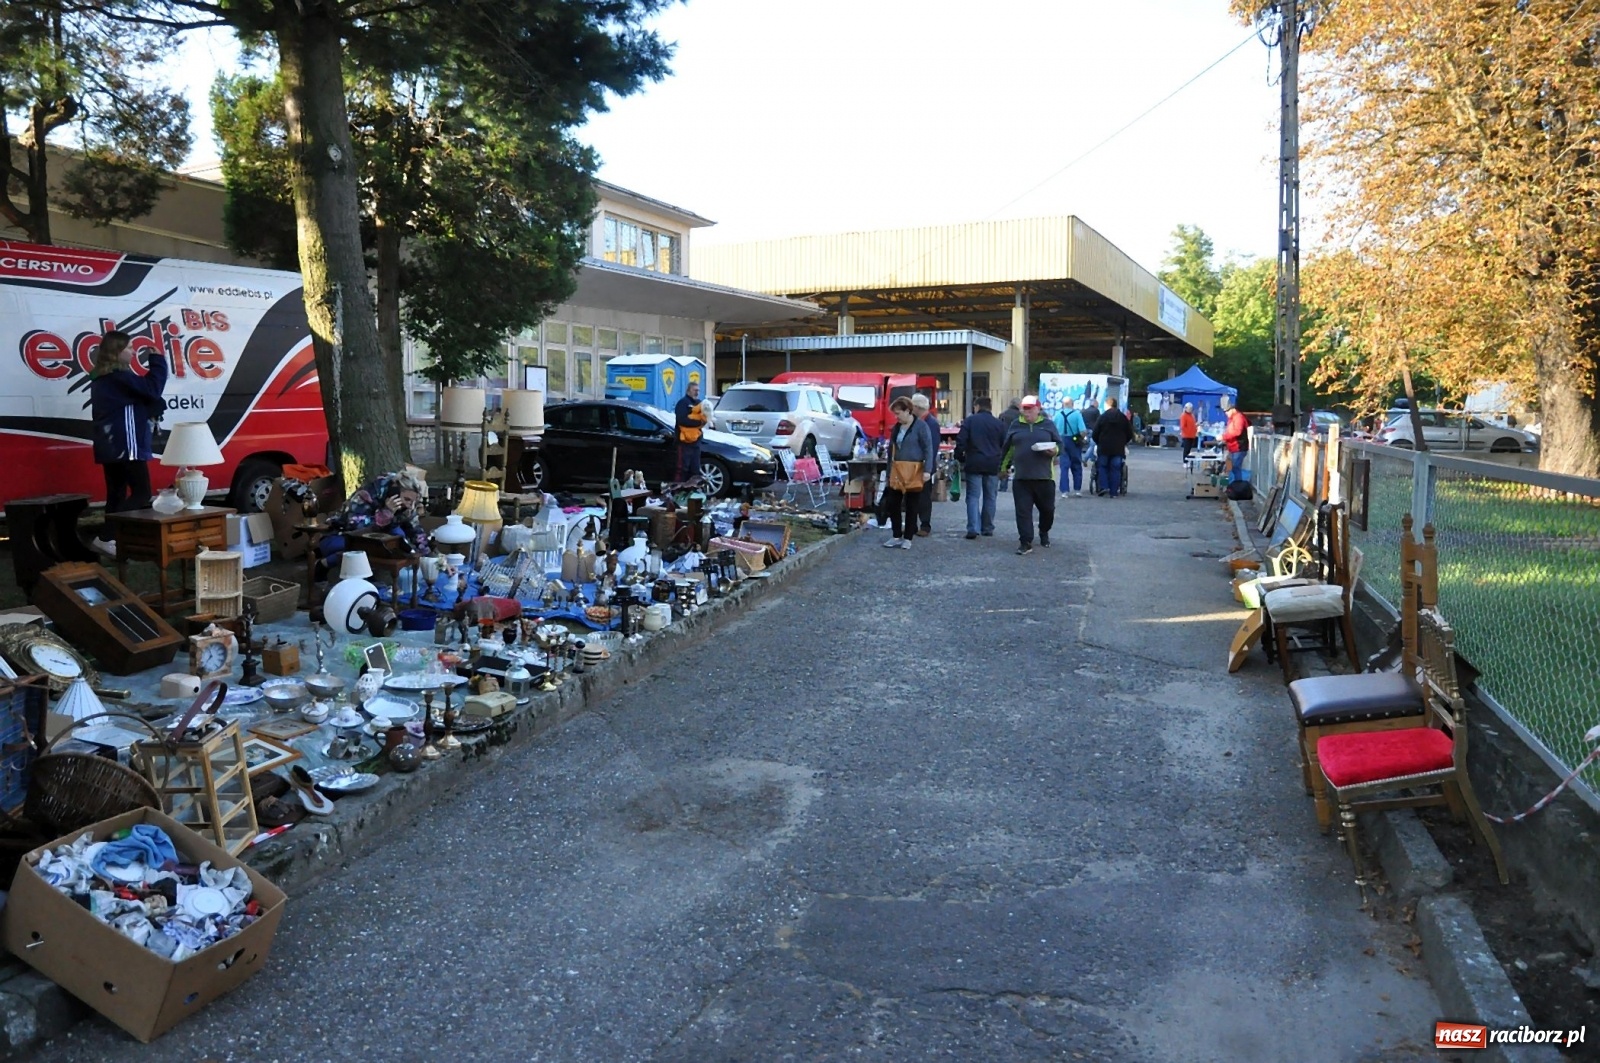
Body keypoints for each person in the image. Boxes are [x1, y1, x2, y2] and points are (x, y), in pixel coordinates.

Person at [89, 329, 168, 557]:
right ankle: (106, 536)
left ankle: (112, 539)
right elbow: (152, 389)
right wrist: (157, 361)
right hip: (126, 444)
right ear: (117, 351)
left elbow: (143, 397)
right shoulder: (119, 377)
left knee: (117, 494)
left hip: (109, 445)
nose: (133, 352)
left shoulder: (102, 378)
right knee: (141, 493)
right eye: (130, 348)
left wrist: (149, 406)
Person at [999, 395, 1063, 555]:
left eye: (1029, 409)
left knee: (1047, 510)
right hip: (1021, 477)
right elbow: (1007, 449)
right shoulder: (1015, 425)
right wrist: (1002, 468)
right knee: (1023, 511)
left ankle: (1044, 530)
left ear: (1037, 409)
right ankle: (1025, 541)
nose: (1026, 412)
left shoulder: (1048, 425)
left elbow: (1060, 445)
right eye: (1024, 409)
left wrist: (1054, 451)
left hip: (1044, 477)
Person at [880, 397, 934, 549]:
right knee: (893, 503)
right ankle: (896, 535)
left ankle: (908, 537)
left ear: (907, 411)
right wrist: (889, 470)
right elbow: (892, 449)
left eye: (898, 413)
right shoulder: (896, 428)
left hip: (914, 469)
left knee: (912, 505)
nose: (896, 417)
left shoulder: (921, 427)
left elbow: (928, 449)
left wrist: (928, 470)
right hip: (897, 469)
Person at [954, 396, 1006, 539]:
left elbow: (961, 441)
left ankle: (973, 528)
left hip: (974, 462)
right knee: (990, 497)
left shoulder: (970, 421)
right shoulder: (998, 423)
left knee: (973, 496)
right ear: (990, 406)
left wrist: (959, 457)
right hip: (993, 463)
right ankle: (987, 527)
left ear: (976, 406)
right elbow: (1004, 444)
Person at [1092, 397, 1134, 498]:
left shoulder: (1102, 417)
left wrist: (1099, 442)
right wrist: (1124, 442)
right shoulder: (1123, 418)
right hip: (1118, 448)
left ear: (1107, 405)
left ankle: (1104, 486)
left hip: (1104, 447)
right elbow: (1130, 433)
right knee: (1116, 469)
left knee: (1102, 467)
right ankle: (1114, 492)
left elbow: (1095, 433)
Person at [911, 393, 940, 537]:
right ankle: (914, 525)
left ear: (917, 407)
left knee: (924, 497)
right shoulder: (920, 421)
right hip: (915, 465)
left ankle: (925, 525)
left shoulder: (931, 423)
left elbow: (932, 448)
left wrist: (927, 467)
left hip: (924, 466)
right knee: (914, 496)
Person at [1052, 397, 1087, 497]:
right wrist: (1081, 438)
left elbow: (1053, 429)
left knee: (1064, 466)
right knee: (1076, 465)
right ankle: (1077, 489)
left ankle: (1064, 491)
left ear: (1063, 404)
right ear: (1072, 404)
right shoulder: (1077, 414)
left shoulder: (1057, 415)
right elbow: (1083, 431)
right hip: (1074, 442)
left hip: (1061, 441)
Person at [674, 380, 706, 482]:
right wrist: (699, 423)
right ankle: (679, 491)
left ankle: (692, 491)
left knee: (695, 469)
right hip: (684, 443)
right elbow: (682, 420)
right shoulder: (683, 403)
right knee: (683, 469)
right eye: (695, 390)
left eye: (698, 390)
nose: (697, 392)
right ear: (688, 391)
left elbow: (706, 418)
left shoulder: (699, 403)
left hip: (696, 442)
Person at [1220, 394, 1250, 481]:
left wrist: (1223, 437)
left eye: (1227, 411)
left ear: (1232, 409)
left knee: (1235, 468)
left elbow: (1237, 432)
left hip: (1239, 448)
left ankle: (1237, 485)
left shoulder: (1238, 417)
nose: (1226, 414)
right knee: (1230, 467)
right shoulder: (1232, 418)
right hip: (1233, 448)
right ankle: (1231, 485)